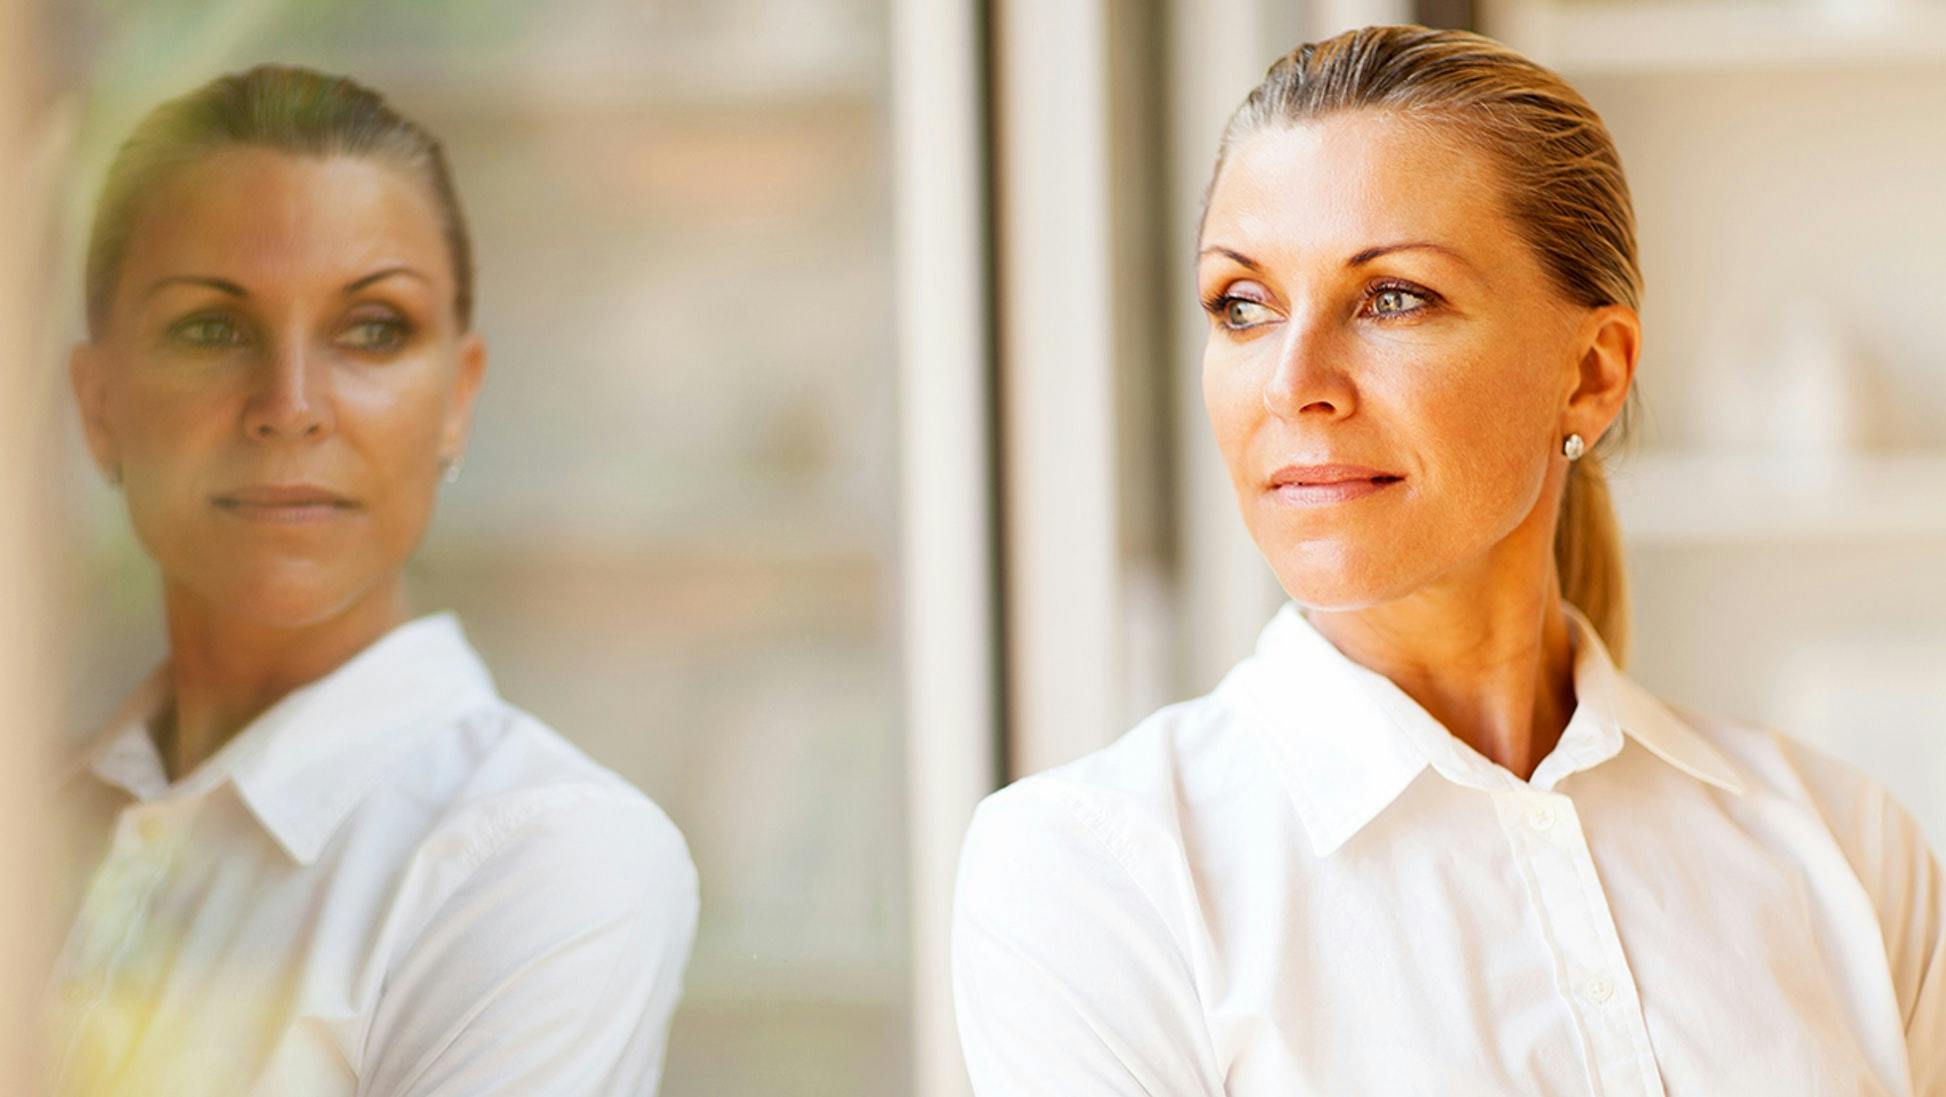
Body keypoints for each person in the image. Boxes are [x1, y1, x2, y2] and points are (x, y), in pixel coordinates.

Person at [952, 25, 1943, 1095]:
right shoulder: (1099, 874)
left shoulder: (1843, 848)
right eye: (1242, 306)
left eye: (1391, 297)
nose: (1292, 382)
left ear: (1590, 375)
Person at [54, 65, 696, 1096]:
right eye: (211, 329)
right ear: (100, 407)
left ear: (457, 401)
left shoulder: (543, 856)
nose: (290, 404)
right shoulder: (36, 816)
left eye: (373, 328)